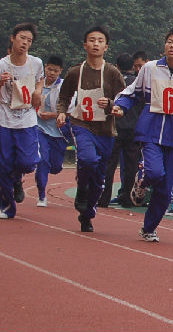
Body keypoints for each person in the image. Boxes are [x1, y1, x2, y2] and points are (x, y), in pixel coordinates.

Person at [112, 28, 173, 242]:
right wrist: (120, 106)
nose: (172, 46)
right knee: (155, 173)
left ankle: (149, 228)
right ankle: (143, 180)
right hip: (150, 130)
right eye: (169, 42)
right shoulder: (150, 68)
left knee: (165, 190)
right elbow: (133, 93)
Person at [56, 26, 127, 232]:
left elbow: (124, 100)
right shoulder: (76, 72)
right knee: (87, 159)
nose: (96, 44)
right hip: (82, 125)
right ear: (85, 45)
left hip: (105, 130)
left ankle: (87, 214)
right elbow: (64, 97)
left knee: (99, 179)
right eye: (92, 40)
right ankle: (81, 189)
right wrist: (62, 112)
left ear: (106, 46)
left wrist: (112, 104)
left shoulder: (112, 73)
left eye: (100, 40)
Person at [0, 23, 45, 220]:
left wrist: (38, 92)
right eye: (22, 38)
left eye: (29, 40)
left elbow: (40, 80)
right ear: (13, 38)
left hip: (27, 117)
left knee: (27, 163)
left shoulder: (36, 63)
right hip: (5, 118)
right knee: (4, 165)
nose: (25, 43)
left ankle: (18, 178)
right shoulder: (2, 65)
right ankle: (7, 207)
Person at [99, 52, 143, 208]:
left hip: (114, 127)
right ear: (133, 66)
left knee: (109, 163)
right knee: (131, 165)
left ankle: (103, 197)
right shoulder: (137, 83)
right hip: (133, 128)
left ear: (117, 66)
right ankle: (127, 197)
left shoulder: (112, 81)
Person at [34, 56, 68, 207]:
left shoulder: (63, 87)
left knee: (55, 167)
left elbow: (69, 111)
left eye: (55, 70)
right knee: (43, 160)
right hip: (39, 128)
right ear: (45, 67)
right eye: (49, 69)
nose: (52, 73)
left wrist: (53, 115)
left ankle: (50, 168)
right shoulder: (38, 84)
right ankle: (42, 195)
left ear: (60, 71)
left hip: (58, 132)